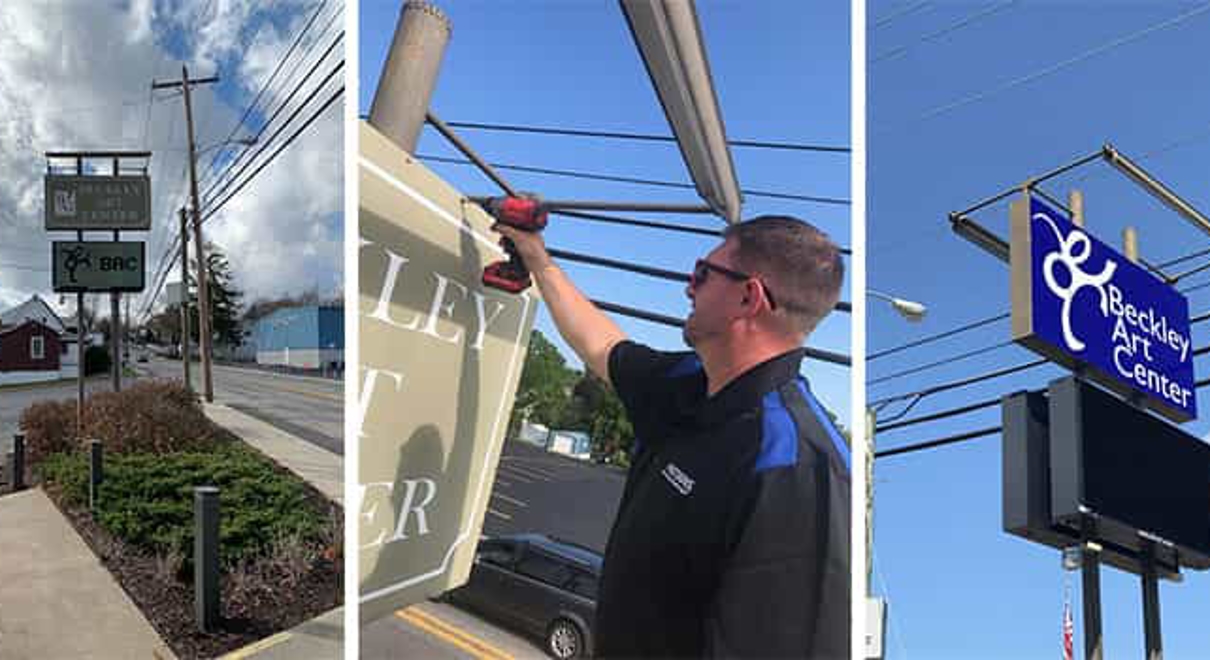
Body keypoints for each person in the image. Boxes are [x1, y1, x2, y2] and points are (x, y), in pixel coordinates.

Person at [494, 214, 850, 659]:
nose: (688, 287)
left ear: (748, 296)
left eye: (702, 273)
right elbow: (602, 346)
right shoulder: (686, 382)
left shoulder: (798, 464)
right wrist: (538, 260)